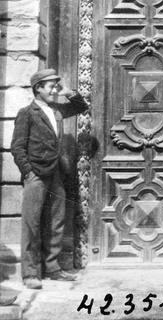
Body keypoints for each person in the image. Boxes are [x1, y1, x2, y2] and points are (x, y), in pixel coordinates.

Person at [11, 69, 88, 289]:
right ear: (38, 89)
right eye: (50, 86)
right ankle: (30, 274)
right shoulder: (27, 113)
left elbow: (81, 107)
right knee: (32, 223)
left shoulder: (56, 111)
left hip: (56, 173)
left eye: (56, 86)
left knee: (56, 221)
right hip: (36, 174)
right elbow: (17, 147)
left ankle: (52, 268)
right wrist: (28, 171)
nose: (54, 89)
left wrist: (67, 91)